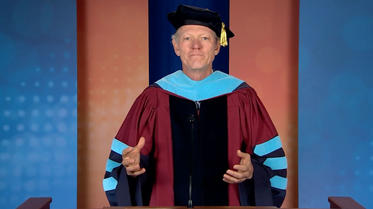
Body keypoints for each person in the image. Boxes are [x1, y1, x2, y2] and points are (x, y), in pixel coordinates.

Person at [103, 4, 287, 207]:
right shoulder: (153, 98)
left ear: (217, 47)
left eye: (205, 38)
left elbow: (274, 167)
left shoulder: (242, 97)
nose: (195, 45)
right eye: (187, 38)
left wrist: (253, 171)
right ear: (176, 46)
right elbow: (120, 166)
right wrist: (131, 168)